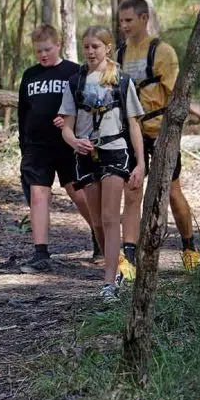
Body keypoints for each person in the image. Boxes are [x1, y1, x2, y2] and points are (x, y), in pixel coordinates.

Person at [117, 0, 200, 276]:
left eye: (129, 20)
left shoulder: (163, 51)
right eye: (121, 21)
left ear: (144, 18)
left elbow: (177, 96)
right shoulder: (118, 54)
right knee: (132, 192)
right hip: (132, 133)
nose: (124, 26)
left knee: (173, 193)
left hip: (161, 132)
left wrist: (172, 131)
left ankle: (189, 249)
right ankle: (128, 257)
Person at [59, 27, 146, 302]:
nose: (90, 51)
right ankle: (116, 261)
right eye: (86, 46)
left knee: (110, 217)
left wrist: (140, 163)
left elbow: (134, 124)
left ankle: (109, 283)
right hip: (85, 153)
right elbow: (67, 127)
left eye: (96, 46)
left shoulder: (122, 80)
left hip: (115, 151)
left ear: (107, 47)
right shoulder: (74, 82)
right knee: (96, 220)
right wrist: (74, 142)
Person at [18, 25, 97, 268]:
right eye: (38, 51)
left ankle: (100, 235)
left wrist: (71, 123)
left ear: (58, 45)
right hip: (37, 146)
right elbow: (24, 111)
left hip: (68, 144)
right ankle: (40, 252)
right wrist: (24, 144)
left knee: (79, 193)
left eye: (47, 49)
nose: (43, 55)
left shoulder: (74, 72)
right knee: (38, 193)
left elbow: (88, 107)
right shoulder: (30, 75)